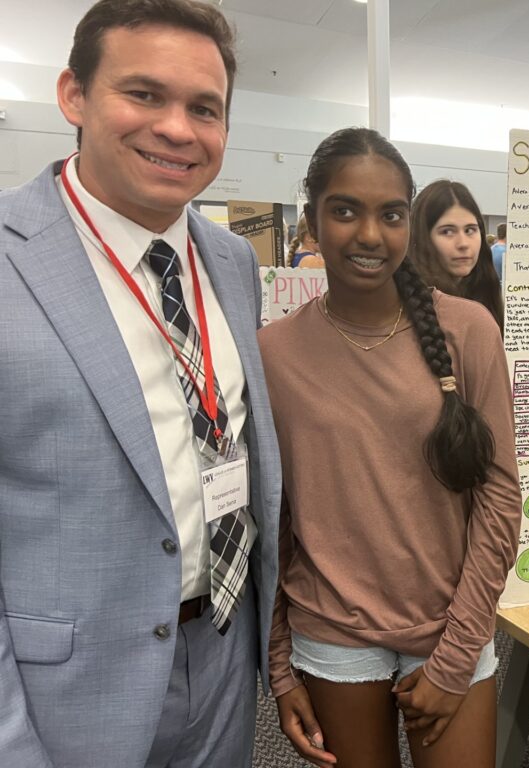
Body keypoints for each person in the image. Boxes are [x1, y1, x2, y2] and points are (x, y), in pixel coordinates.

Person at [0, 1, 281, 766]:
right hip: (60, 688)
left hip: (224, 654)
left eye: (205, 108)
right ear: (74, 95)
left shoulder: (231, 263)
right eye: (145, 94)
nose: (179, 129)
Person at [260, 128, 521, 768]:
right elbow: (272, 517)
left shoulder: (468, 330)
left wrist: (459, 653)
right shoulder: (273, 352)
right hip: (332, 632)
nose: (370, 235)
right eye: (345, 210)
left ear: (409, 219)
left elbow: (500, 498)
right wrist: (280, 666)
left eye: (391, 214)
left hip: (448, 625)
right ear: (312, 220)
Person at [409, 179, 504, 332]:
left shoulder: (486, 293)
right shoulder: (406, 306)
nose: (463, 243)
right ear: (422, 237)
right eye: (447, 231)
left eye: (470, 230)